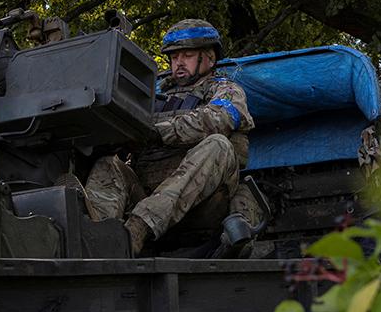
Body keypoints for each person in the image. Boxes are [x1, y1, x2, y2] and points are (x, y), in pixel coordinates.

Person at [84, 19, 254, 255]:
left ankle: (136, 230)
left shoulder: (226, 90)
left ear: (209, 58)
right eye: (174, 57)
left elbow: (219, 119)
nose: (179, 63)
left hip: (203, 202)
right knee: (108, 164)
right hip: (149, 189)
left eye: (186, 55)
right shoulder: (154, 96)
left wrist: (158, 130)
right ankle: (98, 240)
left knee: (218, 144)